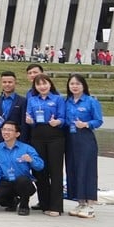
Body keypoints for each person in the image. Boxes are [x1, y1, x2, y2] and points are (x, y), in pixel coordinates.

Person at [25, 73, 66, 216]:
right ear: (35, 86)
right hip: (37, 135)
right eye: (38, 84)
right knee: (40, 170)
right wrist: (29, 120)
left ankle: (56, 206)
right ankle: (44, 203)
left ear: (50, 84)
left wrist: (58, 122)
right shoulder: (32, 100)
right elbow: (29, 116)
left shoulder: (58, 99)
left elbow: (63, 117)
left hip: (54, 135)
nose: (42, 86)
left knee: (55, 171)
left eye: (44, 83)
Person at [0, 121, 45, 215]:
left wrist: (31, 160)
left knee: (22, 180)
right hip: (7, 182)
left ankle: (24, 205)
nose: (6, 132)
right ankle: (12, 202)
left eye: (9, 130)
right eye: (4, 129)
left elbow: (40, 166)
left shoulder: (26, 148)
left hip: (23, 183)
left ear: (17, 134)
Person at [64, 73, 102, 218]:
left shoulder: (91, 101)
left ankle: (90, 204)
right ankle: (80, 202)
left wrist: (86, 124)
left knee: (87, 170)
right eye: (72, 84)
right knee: (73, 169)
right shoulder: (67, 101)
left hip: (85, 139)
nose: (74, 86)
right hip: (70, 139)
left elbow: (98, 120)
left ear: (83, 86)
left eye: (77, 84)